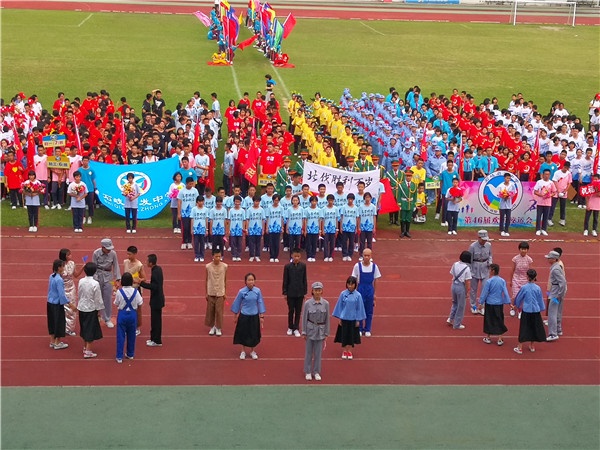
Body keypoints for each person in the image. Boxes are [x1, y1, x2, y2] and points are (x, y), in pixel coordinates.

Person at [231, 272, 266, 360]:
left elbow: (260, 303)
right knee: (243, 333)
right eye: (249, 280)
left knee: (253, 334)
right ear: (245, 281)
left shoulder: (257, 291)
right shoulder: (241, 291)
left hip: (254, 316)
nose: (251, 282)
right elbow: (237, 303)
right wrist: (235, 315)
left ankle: (252, 351)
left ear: (254, 281)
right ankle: (243, 351)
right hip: (244, 315)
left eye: (252, 280)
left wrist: (261, 316)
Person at [332, 276, 366, 360]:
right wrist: (340, 318)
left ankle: (349, 351)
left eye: (352, 284)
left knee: (351, 336)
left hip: (353, 318)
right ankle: (344, 351)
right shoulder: (343, 294)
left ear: (355, 285)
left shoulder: (358, 295)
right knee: (344, 335)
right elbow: (340, 306)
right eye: (349, 284)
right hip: (344, 318)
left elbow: (359, 308)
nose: (350, 286)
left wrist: (358, 320)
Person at [302, 281, 330, 381]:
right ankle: (308, 371)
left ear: (322, 291)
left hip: (320, 331)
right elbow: (304, 318)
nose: (317, 292)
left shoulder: (326, 304)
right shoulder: (307, 303)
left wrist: (326, 332)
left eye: (319, 290)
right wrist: (304, 331)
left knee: (318, 353)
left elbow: (327, 319)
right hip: (310, 330)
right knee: (309, 352)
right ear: (312, 291)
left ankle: (316, 371)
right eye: (315, 290)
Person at [513, 269, 547, 354]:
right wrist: (541, 308)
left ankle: (520, 347)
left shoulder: (524, 287)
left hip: (527, 310)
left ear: (527, 277)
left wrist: (516, 305)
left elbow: (519, 298)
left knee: (523, 328)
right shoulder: (537, 288)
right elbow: (540, 300)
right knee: (534, 327)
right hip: (535, 310)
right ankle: (532, 346)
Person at [114, 272, 143, 363]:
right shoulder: (136, 292)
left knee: (120, 336)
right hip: (132, 315)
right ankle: (130, 354)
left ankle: (119, 356)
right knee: (131, 335)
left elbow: (116, 303)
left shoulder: (119, 292)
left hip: (122, 314)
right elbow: (140, 303)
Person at [351, 248, 381, 337]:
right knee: (360, 309)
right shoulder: (357, 266)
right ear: (362, 256)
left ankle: (367, 329)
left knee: (369, 310)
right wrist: (353, 292)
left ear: (371, 256)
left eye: (368, 255)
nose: (367, 257)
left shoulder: (374, 267)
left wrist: (375, 293)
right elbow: (354, 279)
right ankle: (359, 328)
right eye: (365, 255)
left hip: (369, 289)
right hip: (360, 289)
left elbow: (376, 280)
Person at [479, 264, 511, 346]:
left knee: (489, 319)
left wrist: (481, 302)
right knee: (499, 319)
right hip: (499, 303)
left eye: (490, 270)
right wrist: (508, 302)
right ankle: (500, 338)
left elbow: (484, 293)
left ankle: (488, 337)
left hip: (490, 303)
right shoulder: (502, 281)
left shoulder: (489, 281)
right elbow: (505, 292)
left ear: (493, 271)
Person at [77, 262, 104, 358]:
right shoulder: (95, 283)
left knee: (84, 327)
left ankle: (85, 347)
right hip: (91, 308)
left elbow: (79, 293)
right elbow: (98, 298)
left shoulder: (81, 281)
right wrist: (99, 310)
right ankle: (88, 351)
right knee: (90, 329)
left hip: (81, 307)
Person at [92, 238, 121, 328]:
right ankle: (97, 316)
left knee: (107, 298)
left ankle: (107, 318)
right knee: (97, 297)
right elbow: (94, 266)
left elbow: (116, 265)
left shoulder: (113, 254)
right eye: (107, 248)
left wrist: (117, 279)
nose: (109, 250)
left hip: (109, 276)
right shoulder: (96, 253)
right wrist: (95, 279)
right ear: (102, 247)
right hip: (98, 275)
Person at [139, 254, 165, 347]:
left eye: (147, 261)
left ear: (151, 263)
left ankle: (157, 340)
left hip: (156, 300)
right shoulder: (158, 269)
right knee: (155, 320)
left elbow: (154, 286)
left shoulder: (155, 272)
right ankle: (153, 338)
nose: (146, 262)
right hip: (158, 299)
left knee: (155, 321)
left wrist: (141, 283)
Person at [282, 248, 307, 337]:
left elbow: (304, 279)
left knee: (298, 311)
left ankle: (296, 328)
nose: (296, 258)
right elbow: (285, 280)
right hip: (290, 292)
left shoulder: (303, 266)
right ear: (292, 256)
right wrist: (285, 292)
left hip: (300, 292)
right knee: (291, 310)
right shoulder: (287, 267)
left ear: (300, 257)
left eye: (298, 256)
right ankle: (290, 327)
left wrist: (305, 292)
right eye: (295, 256)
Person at [58, 248, 84, 336]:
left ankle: (69, 329)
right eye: (68, 254)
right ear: (64, 256)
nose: (70, 256)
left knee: (72, 308)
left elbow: (76, 275)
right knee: (63, 308)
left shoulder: (72, 263)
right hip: (62, 288)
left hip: (71, 288)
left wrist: (82, 268)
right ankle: (62, 327)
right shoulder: (59, 265)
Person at [47, 259, 70, 350]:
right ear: (59, 268)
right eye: (63, 266)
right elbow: (61, 294)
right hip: (57, 304)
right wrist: (69, 303)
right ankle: (57, 342)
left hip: (50, 302)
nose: (64, 268)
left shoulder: (51, 276)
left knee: (52, 321)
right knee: (59, 322)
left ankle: (52, 341)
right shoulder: (59, 280)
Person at [469, 230, 492, 315]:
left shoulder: (489, 245)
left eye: (485, 239)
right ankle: (473, 306)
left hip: (485, 268)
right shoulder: (472, 246)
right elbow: (469, 260)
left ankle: (482, 306)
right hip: (475, 269)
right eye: (483, 239)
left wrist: (490, 262)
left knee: (485, 288)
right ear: (478, 238)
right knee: (473, 289)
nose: (484, 241)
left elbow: (490, 255)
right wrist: (469, 271)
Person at [545, 250, 567, 342]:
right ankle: (558, 329)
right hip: (557, 292)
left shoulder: (555, 269)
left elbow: (562, 282)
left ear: (554, 259)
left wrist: (559, 294)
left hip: (555, 293)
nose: (548, 259)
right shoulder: (557, 267)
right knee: (558, 312)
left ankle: (553, 334)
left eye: (549, 258)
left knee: (552, 313)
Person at [124, 246, 146, 336]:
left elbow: (144, 278)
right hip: (126, 289)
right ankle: (128, 326)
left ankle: (137, 327)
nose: (128, 256)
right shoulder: (125, 262)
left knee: (136, 309)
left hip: (135, 289)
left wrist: (137, 280)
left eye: (130, 254)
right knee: (126, 308)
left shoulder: (139, 265)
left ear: (135, 254)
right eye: (127, 254)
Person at [447, 251, 472, 330]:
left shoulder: (455, 264)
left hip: (454, 285)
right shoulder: (467, 268)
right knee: (461, 306)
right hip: (461, 287)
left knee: (455, 303)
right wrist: (467, 292)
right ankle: (457, 324)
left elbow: (452, 273)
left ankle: (450, 318)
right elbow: (467, 282)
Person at [205, 248, 228, 336]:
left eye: (219, 256)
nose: (218, 258)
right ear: (213, 256)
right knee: (210, 310)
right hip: (211, 291)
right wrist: (206, 292)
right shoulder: (208, 266)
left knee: (219, 310)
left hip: (220, 292)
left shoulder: (225, 266)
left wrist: (225, 292)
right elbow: (206, 280)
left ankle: (218, 327)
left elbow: (225, 280)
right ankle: (212, 326)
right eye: (216, 256)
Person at [508, 242, 533, 317]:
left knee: (523, 296)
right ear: (519, 249)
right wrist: (510, 280)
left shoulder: (529, 260)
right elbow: (512, 270)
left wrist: (531, 281)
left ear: (527, 250)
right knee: (515, 295)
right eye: (522, 249)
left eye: (525, 249)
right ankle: (513, 308)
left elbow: (530, 271)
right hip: (516, 279)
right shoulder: (515, 259)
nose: (523, 250)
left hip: (525, 280)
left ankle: (520, 310)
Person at [533, 169, 557, 236]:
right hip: (540, 202)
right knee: (539, 216)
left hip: (548, 203)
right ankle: (538, 229)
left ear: (550, 175)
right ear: (543, 175)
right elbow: (535, 191)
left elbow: (554, 192)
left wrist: (549, 195)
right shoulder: (539, 182)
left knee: (546, 216)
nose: (547, 176)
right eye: (545, 174)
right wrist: (541, 195)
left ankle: (544, 229)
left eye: (548, 174)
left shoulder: (551, 183)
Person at [397, 169, 417, 238]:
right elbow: (399, 195)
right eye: (407, 176)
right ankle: (402, 231)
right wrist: (399, 204)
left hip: (410, 204)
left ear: (411, 177)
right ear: (405, 176)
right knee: (403, 218)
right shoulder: (401, 185)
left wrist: (414, 204)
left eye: (410, 176)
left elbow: (415, 196)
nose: (408, 177)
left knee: (408, 218)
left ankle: (407, 231)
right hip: (403, 203)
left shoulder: (414, 185)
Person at [498, 172, 517, 236]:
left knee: (508, 218)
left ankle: (506, 230)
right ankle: (502, 230)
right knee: (502, 217)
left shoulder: (512, 185)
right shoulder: (500, 186)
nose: (508, 179)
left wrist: (509, 196)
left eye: (509, 178)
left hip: (509, 204)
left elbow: (514, 192)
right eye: (507, 178)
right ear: (504, 178)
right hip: (502, 204)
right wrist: (503, 196)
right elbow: (499, 194)